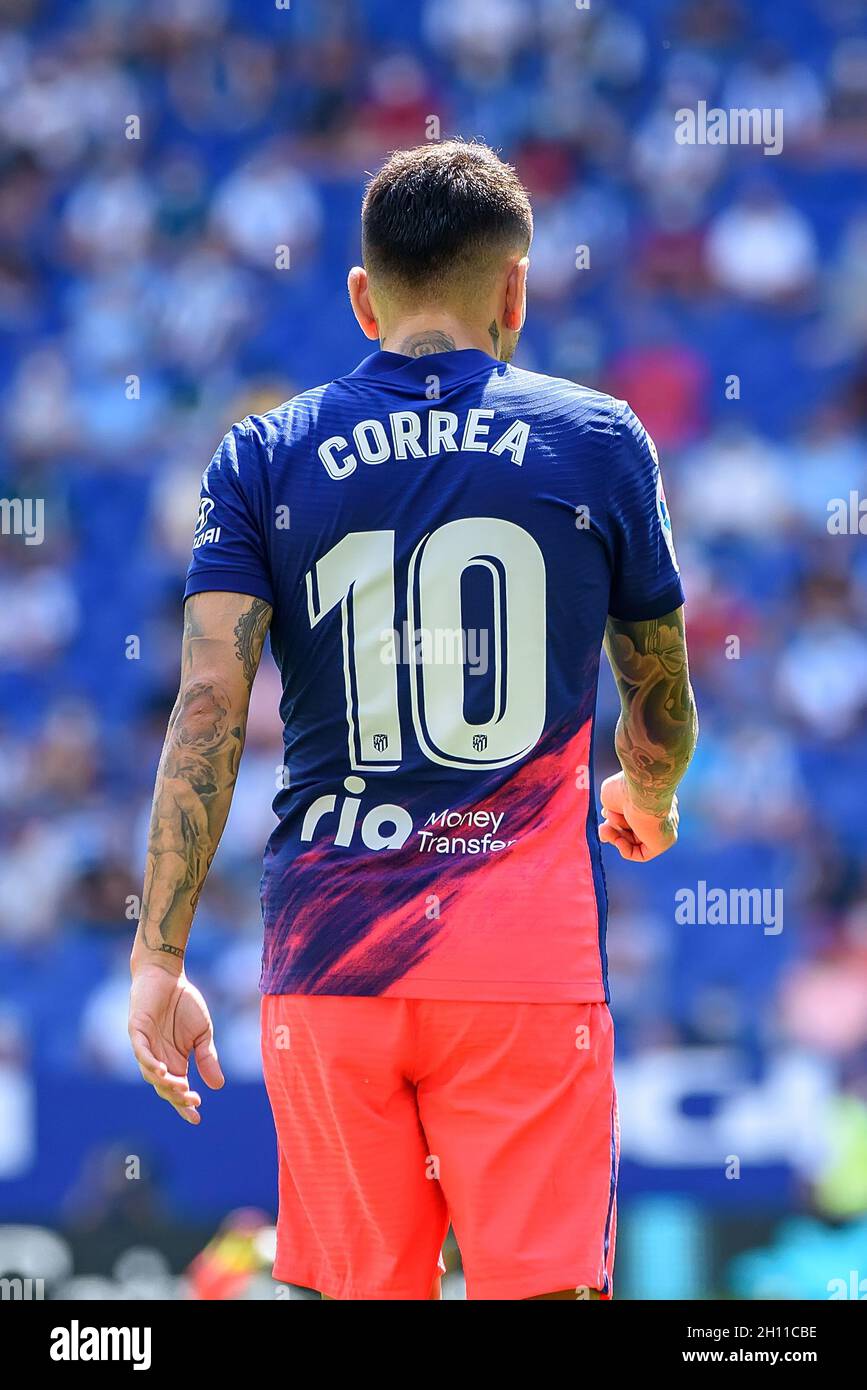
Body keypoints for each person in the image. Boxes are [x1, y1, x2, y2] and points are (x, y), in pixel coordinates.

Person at [128, 139, 698, 1301]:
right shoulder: (597, 440)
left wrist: (159, 953)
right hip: (522, 971)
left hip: (330, 962)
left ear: (359, 294)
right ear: (515, 290)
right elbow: (660, 685)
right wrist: (650, 792)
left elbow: (208, 709)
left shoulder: (263, 454)